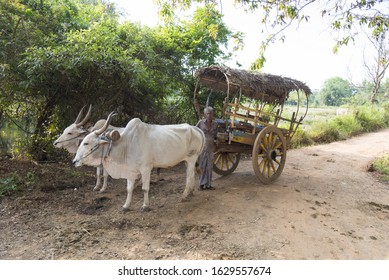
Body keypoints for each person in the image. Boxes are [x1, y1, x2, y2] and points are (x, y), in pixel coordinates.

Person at [196, 106, 218, 190]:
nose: (209, 115)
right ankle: (201, 184)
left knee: (209, 167)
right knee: (202, 166)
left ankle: (208, 185)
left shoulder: (215, 124)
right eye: (207, 113)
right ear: (204, 114)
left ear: (213, 114)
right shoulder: (200, 123)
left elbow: (216, 135)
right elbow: (194, 132)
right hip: (202, 148)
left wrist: (216, 142)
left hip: (211, 148)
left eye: (210, 113)